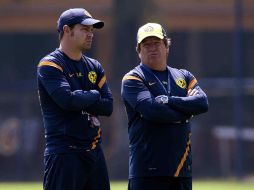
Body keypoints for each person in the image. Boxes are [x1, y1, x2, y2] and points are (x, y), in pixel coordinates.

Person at [121, 23, 209, 190]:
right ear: (139, 50)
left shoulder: (184, 75)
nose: (152, 48)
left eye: (157, 43)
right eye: (146, 45)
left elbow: (202, 103)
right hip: (147, 171)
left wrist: (169, 101)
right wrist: (186, 111)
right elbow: (152, 111)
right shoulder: (133, 79)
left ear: (166, 46)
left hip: (182, 168)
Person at [37, 8, 113, 190]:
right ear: (66, 30)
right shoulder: (50, 64)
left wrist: (82, 97)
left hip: (94, 152)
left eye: (91, 30)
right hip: (64, 153)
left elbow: (108, 106)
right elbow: (67, 101)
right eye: (84, 29)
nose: (90, 34)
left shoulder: (94, 66)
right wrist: (94, 94)